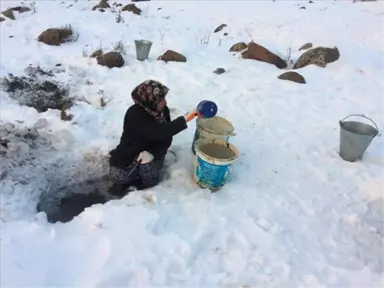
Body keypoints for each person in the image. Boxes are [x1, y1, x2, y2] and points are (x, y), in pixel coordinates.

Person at [108, 79, 199, 196]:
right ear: (150, 100)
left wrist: (153, 153)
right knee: (118, 175)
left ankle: (145, 191)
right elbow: (159, 132)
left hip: (153, 156)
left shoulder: (163, 112)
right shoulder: (135, 114)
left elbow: (166, 136)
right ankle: (124, 184)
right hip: (130, 154)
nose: (165, 103)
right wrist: (187, 118)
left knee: (149, 173)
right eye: (161, 100)